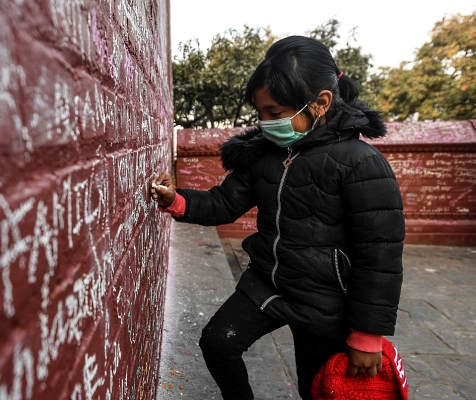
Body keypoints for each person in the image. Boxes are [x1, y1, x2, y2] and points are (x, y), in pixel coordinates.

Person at [150, 36, 405, 400]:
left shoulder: (359, 163)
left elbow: (380, 254)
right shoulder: (264, 155)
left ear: (320, 103)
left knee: (314, 389)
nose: (266, 123)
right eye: (261, 113)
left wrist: (367, 335)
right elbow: (224, 202)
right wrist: (176, 201)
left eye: (275, 113)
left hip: (326, 301)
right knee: (218, 342)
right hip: (268, 283)